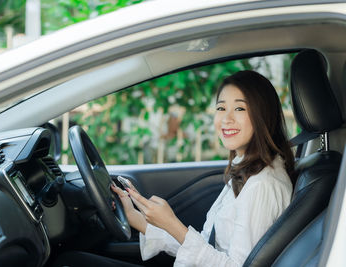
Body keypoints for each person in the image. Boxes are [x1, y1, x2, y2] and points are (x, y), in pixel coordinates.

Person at [54, 70, 295, 266]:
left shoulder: (263, 185)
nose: (226, 119)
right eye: (221, 108)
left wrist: (172, 224)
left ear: (263, 115)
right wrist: (136, 218)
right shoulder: (249, 169)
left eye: (240, 109)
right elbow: (207, 247)